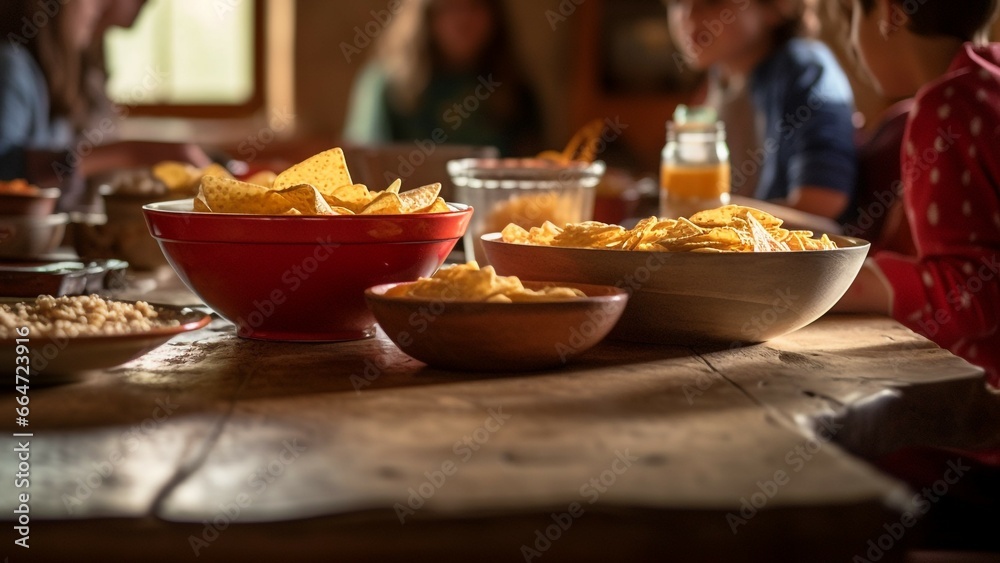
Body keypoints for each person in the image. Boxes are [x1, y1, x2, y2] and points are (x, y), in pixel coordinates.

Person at [834, 0, 1000, 388]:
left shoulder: (945, 107)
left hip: (982, 407)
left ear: (892, 13)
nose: (851, 39)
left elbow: (974, 295)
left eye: (853, 13)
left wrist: (837, 283)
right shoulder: (989, 76)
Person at [0, 0, 209, 210]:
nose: (98, 8)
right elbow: (5, 168)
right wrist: (133, 153)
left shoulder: (45, 77)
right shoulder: (10, 67)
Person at [667, 0, 858, 220]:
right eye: (677, 2)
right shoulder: (718, 80)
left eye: (712, 2)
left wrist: (700, 213)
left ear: (776, 7)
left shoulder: (804, 71)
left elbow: (822, 202)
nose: (689, 15)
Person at [342, 0, 541, 157]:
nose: (464, 20)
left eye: (475, 6)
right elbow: (363, 167)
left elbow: (531, 170)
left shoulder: (513, 88)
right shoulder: (386, 85)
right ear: (425, 15)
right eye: (450, 7)